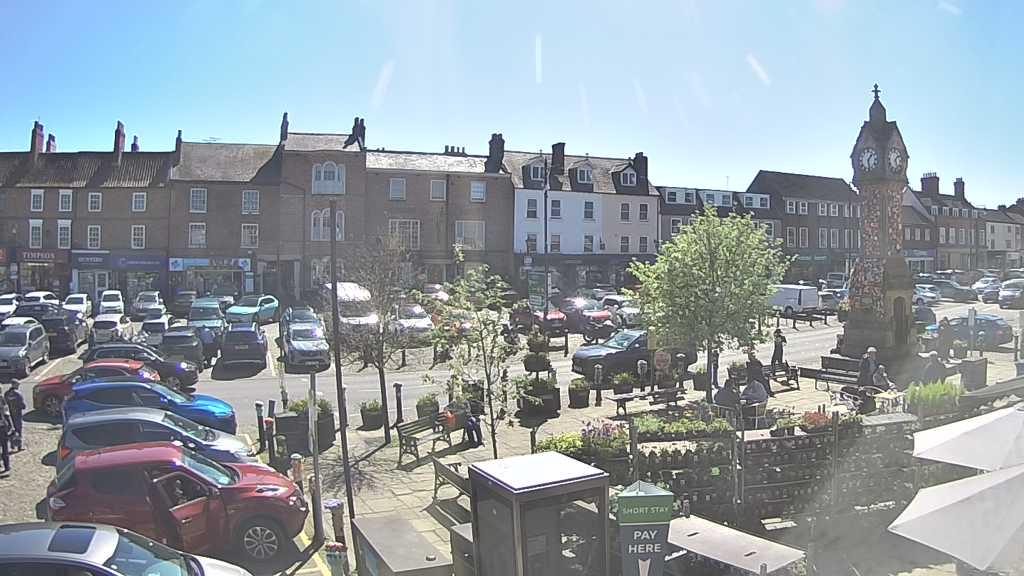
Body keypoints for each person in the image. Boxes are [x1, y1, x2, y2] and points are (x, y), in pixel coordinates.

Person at [4, 381, 25, 451]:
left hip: (9, 415)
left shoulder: (6, 393)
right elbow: (22, 405)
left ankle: (12, 445)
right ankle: (19, 446)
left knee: (11, 430)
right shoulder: (18, 394)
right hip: (17, 414)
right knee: (19, 430)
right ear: (15, 385)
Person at [0, 401, 12, 474]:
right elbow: (6, 413)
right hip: (2, 427)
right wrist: (11, 425)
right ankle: (7, 466)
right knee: (5, 448)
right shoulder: (2, 400)